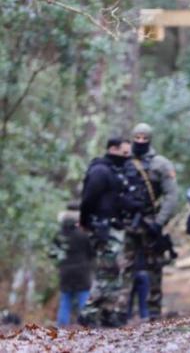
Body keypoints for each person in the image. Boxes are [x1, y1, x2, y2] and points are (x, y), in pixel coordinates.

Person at [122, 122, 180, 320]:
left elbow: (172, 196)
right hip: (126, 224)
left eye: (144, 139)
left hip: (150, 223)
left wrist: (159, 221)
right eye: (137, 138)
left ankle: (154, 312)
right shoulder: (122, 162)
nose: (140, 142)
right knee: (123, 268)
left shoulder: (161, 164)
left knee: (154, 267)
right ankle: (122, 312)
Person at [77, 137, 133, 327]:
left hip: (113, 227)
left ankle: (107, 312)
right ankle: (89, 312)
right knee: (107, 271)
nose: (128, 157)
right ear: (113, 149)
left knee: (115, 271)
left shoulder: (115, 172)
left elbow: (116, 200)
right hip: (102, 228)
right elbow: (88, 200)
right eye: (124, 153)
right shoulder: (100, 170)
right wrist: (85, 221)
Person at [49, 211, 94, 327]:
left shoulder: (59, 235)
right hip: (82, 271)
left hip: (65, 271)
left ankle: (62, 326)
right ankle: (86, 325)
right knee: (83, 298)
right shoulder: (83, 235)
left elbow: (52, 253)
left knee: (65, 300)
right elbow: (91, 252)